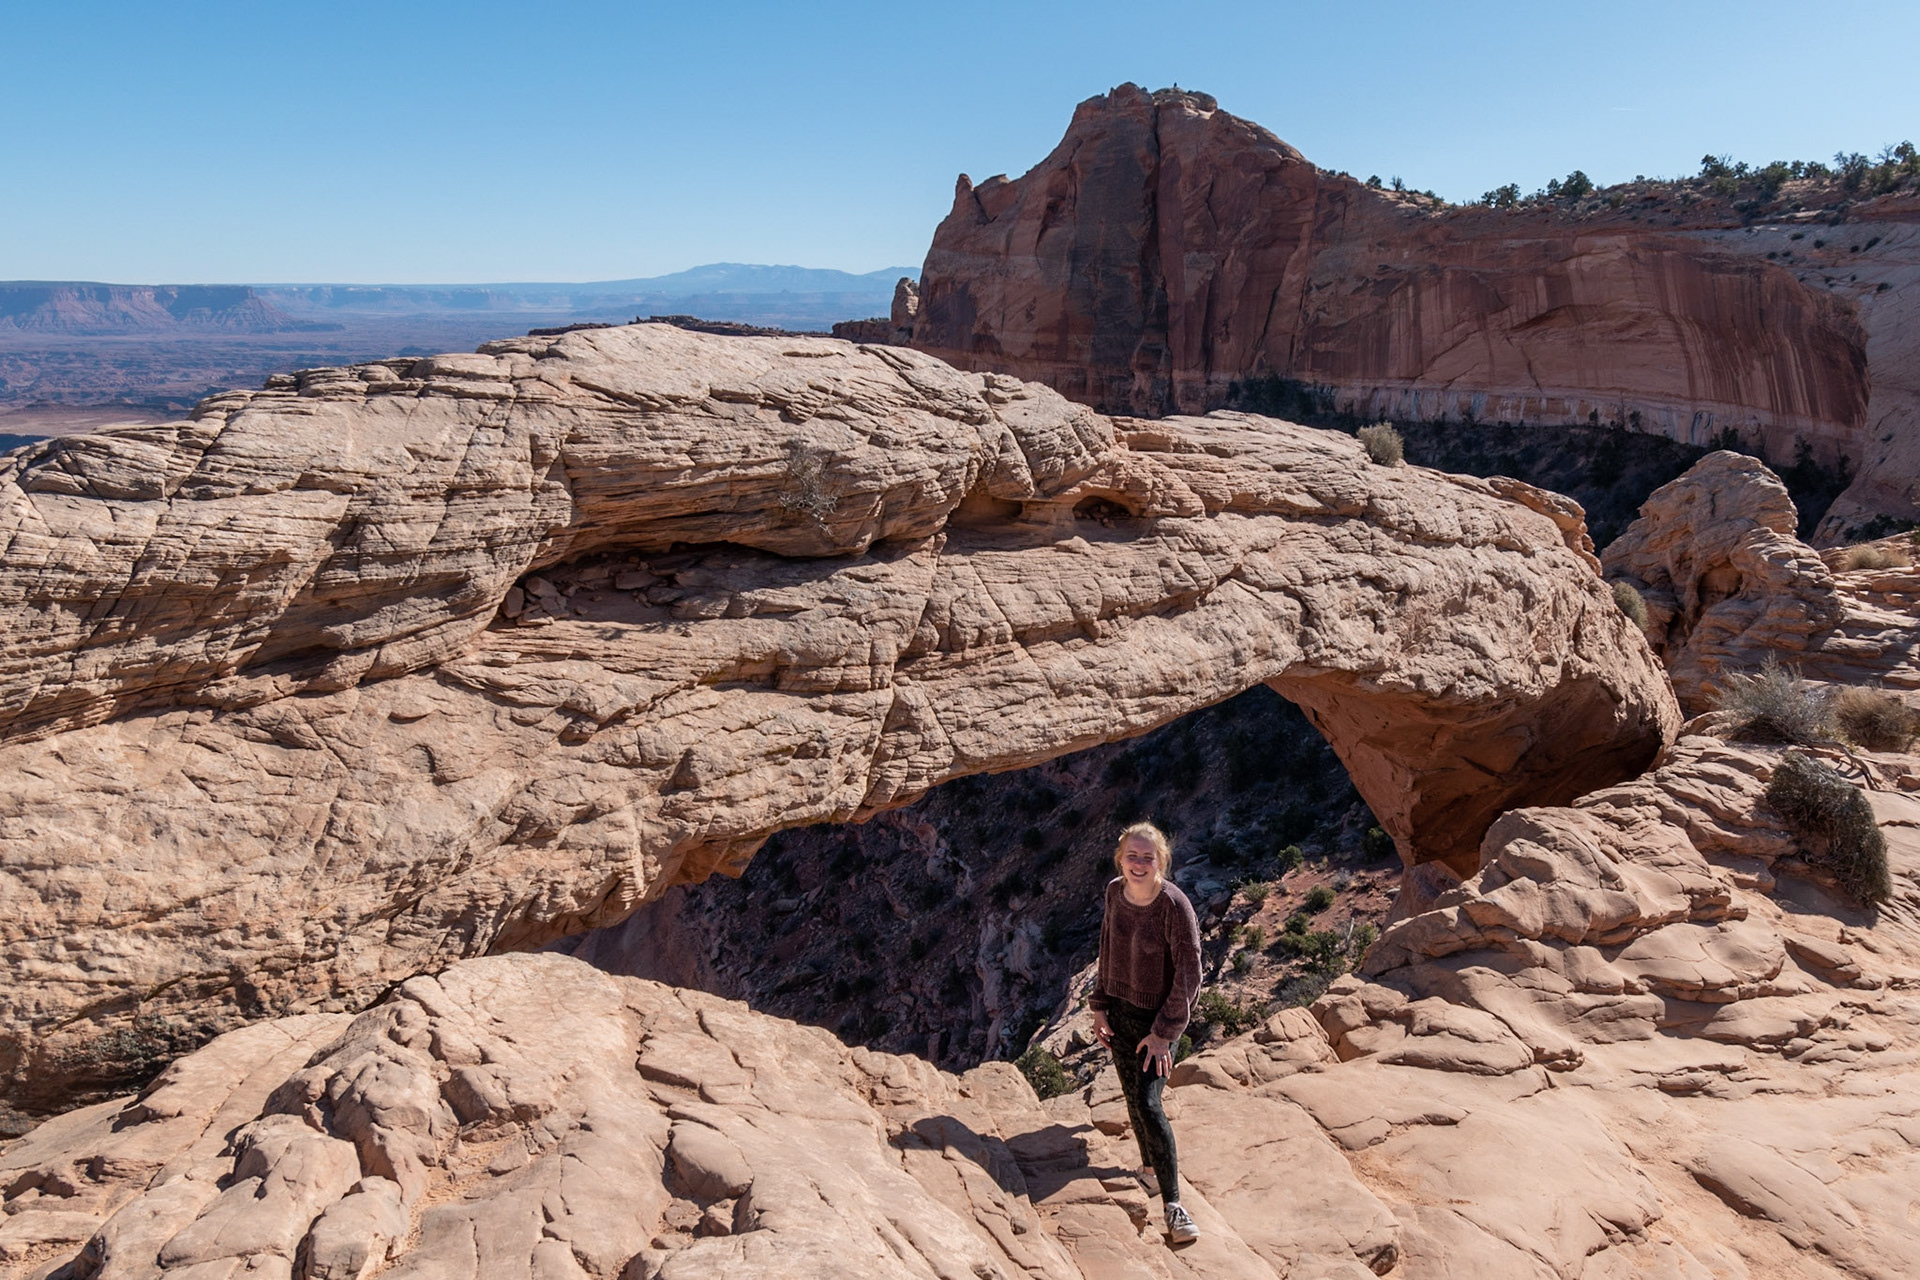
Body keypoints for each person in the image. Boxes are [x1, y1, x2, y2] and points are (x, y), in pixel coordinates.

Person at [1087, 821, 1203, 1245]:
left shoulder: (1175, 906)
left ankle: (1174, 1205)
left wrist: (1163, 1033)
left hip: (1158, 1020)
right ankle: (1149, 1170)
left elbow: (1190, 976)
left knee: (1148, 1101)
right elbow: (1106, 947)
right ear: (1121, 859)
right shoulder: (1115, 892)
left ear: (1161, 862)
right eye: (1132, 856)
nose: (1138, 864)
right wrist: (1099, 1006)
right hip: (1119, 1012)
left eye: (1147, 857)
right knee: (1132, 1095)